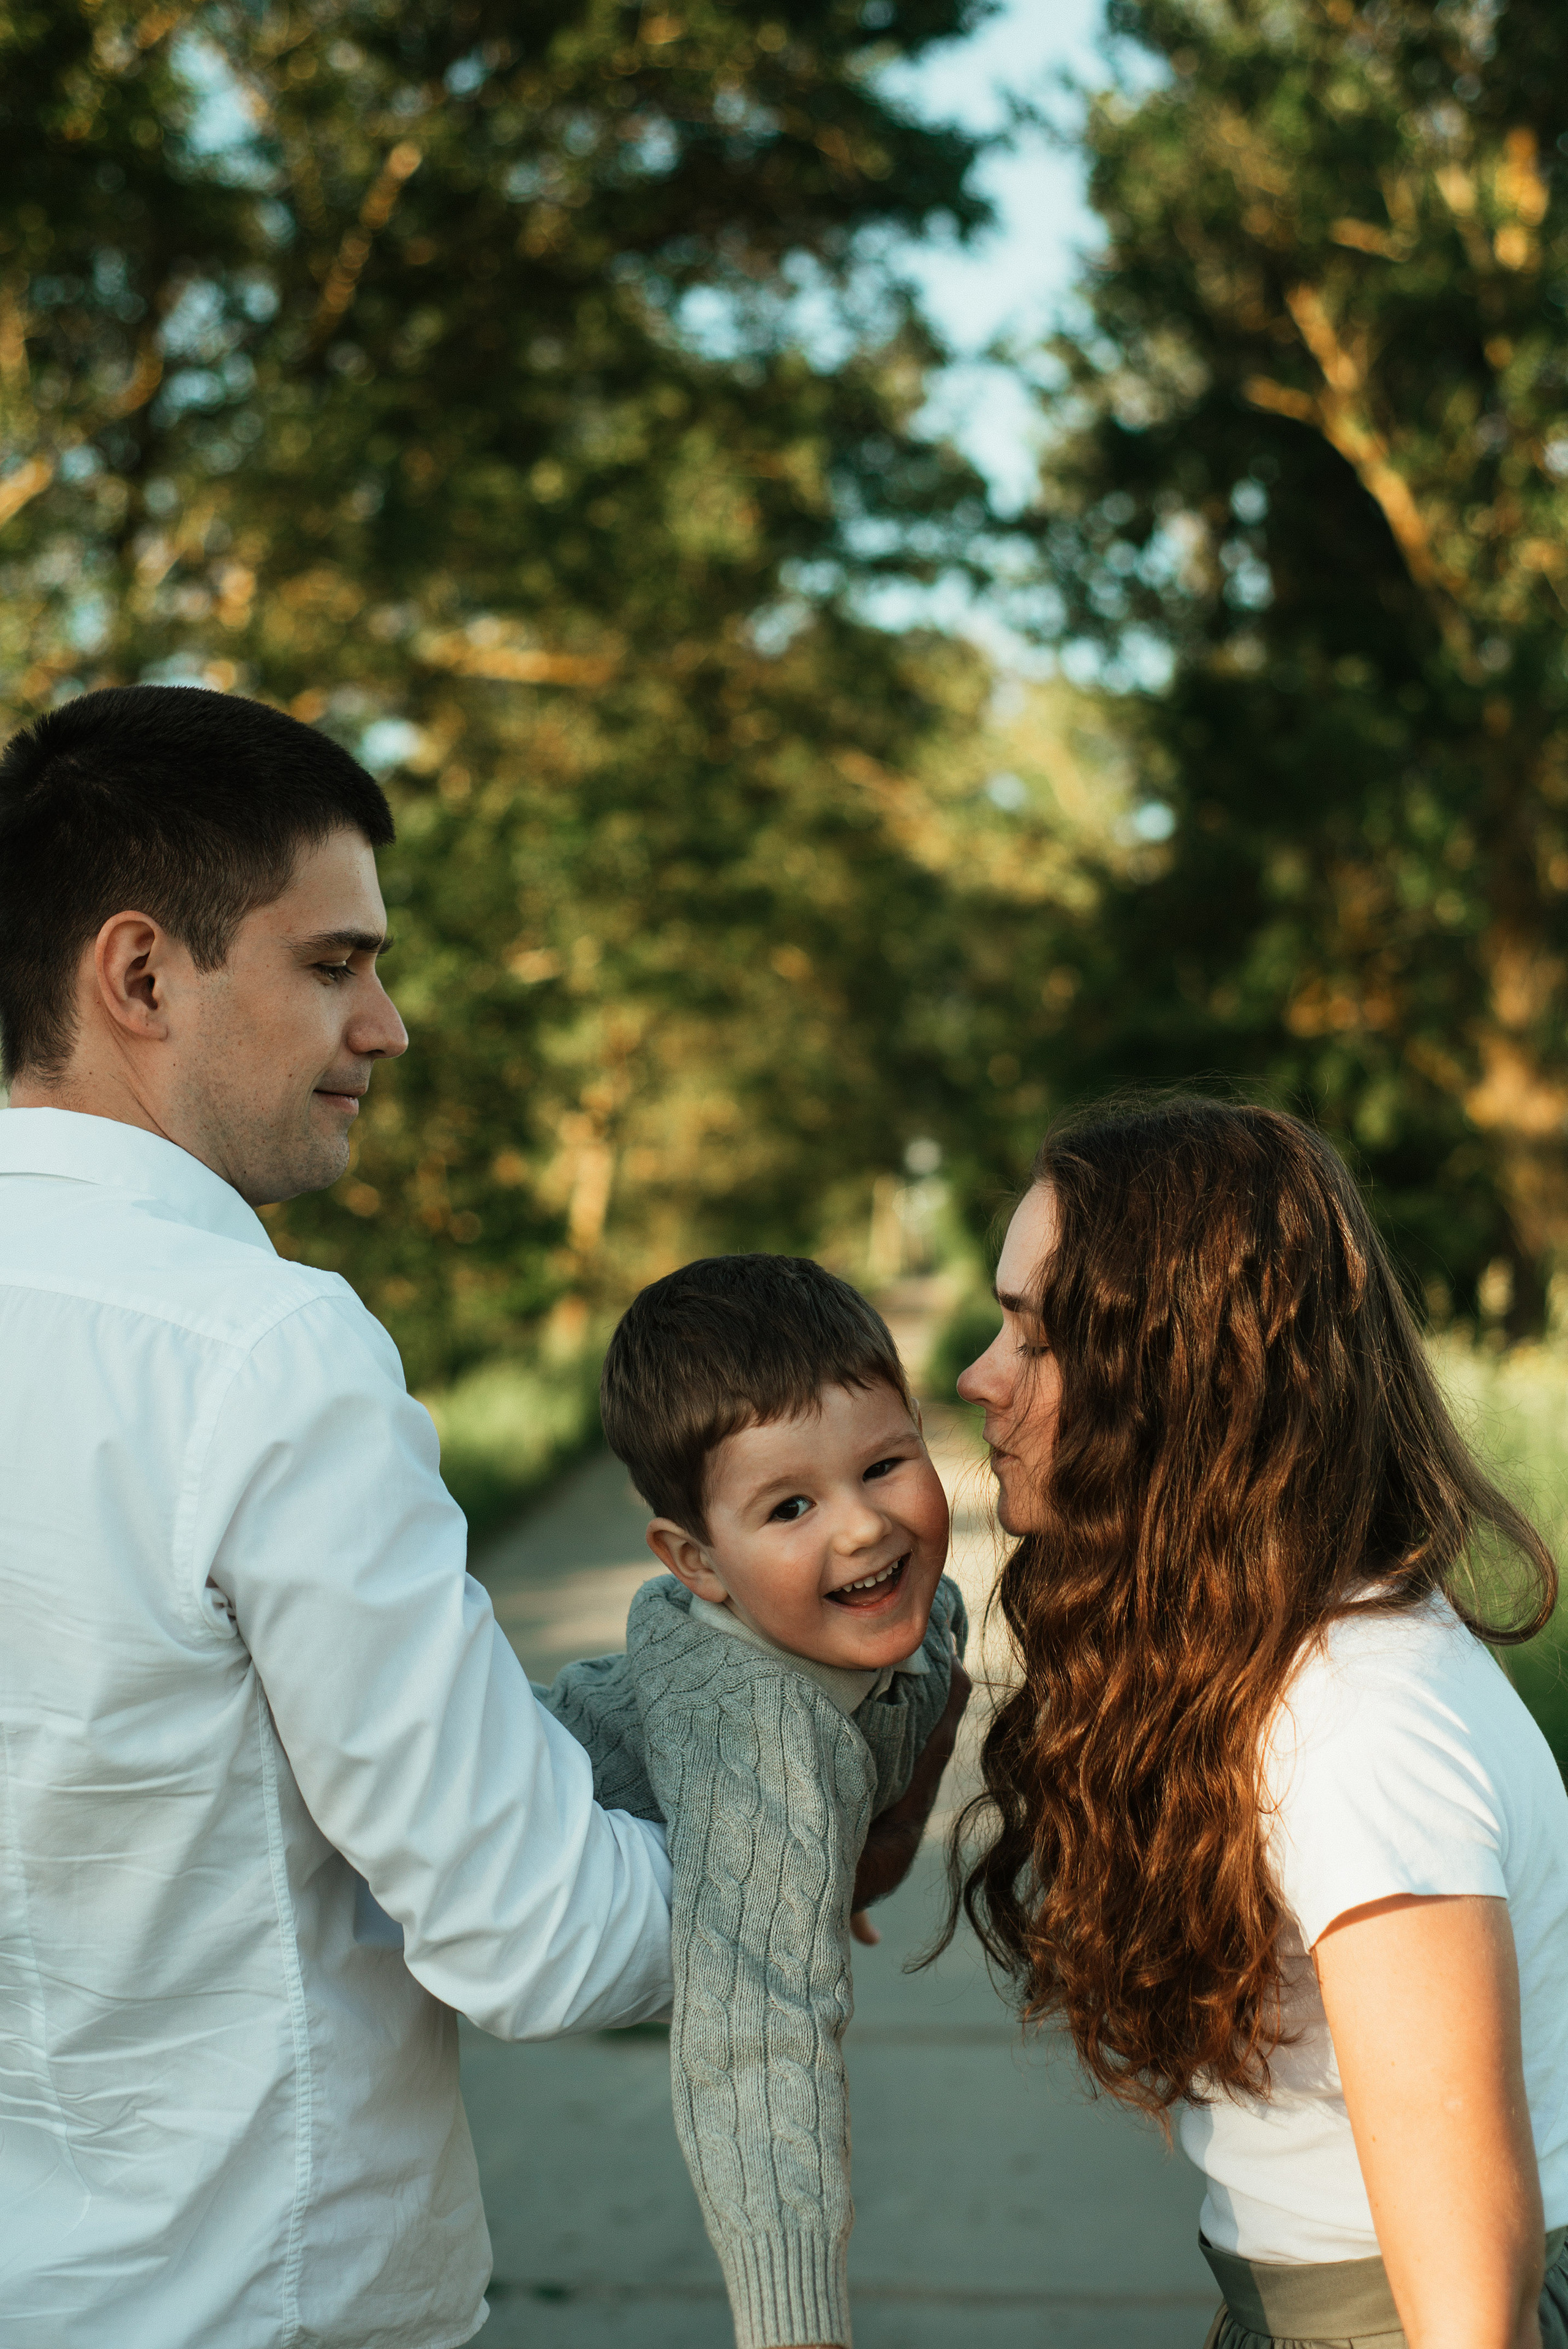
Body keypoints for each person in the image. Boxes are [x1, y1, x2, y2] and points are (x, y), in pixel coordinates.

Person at [0, 684, 681, 2349]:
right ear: (141, 975)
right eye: (334, 964)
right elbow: (536, 1933)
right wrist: (811, 1812)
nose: (388, 1025)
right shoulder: (264, 1351)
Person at [952, 1095, 1568, 2349]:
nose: (978, 1376)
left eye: (1030, 1334)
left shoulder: (1358, 1731)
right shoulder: (1269, 1658)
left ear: (1175, 1378)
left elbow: (1471, 2311)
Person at [533, 1254, 970, 2349]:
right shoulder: (757, 1723)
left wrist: (866, 1852)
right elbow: (759, 2029)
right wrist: (796, 2329)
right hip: (417, 1849)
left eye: (885, 1464)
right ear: (700, 1563)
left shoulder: (926, 1605)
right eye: (789, 1506)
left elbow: (932, 1693)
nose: (864, 1528)